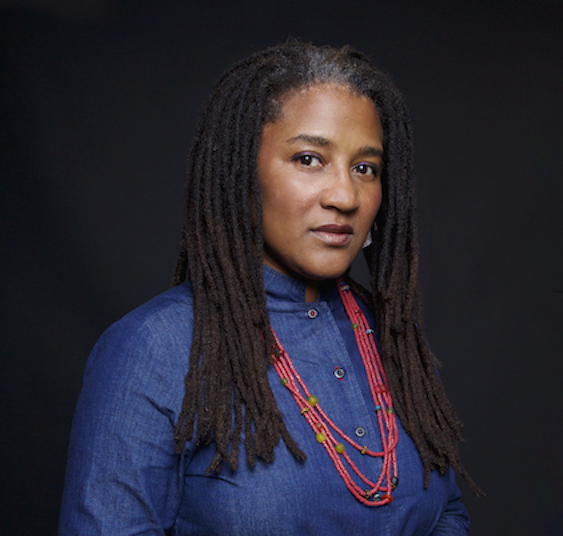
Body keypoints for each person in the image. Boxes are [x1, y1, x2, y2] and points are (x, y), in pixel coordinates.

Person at [58, 41, 480, 535]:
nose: (345, 195)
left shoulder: (391, 337)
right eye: (308, 158)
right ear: (243, 172)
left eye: (365, 168)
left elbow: (447, 514)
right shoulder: (155, 348)